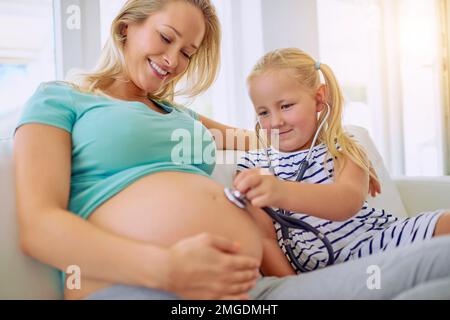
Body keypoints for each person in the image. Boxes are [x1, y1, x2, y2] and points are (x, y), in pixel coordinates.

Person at [13, 0, 450, 300]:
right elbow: (39, 226)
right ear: (127, 26)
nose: (174, 60)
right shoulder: (61, 100)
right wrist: (168, 267)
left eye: (187, 52)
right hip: (142, 286)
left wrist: (340, 144)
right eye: (165, 38)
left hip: (259, 288)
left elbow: (268, 133)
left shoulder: (182, 117)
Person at [234, 48, 450, 276]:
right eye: (263, 112)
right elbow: (264, 239)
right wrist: (293, 289)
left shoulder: (342, 149)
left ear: (319, 99)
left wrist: (280, 191)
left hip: (377, 242)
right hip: (326, 271)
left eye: (286, 106)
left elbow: (347, 201)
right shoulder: (253, 167)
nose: (275, 121)